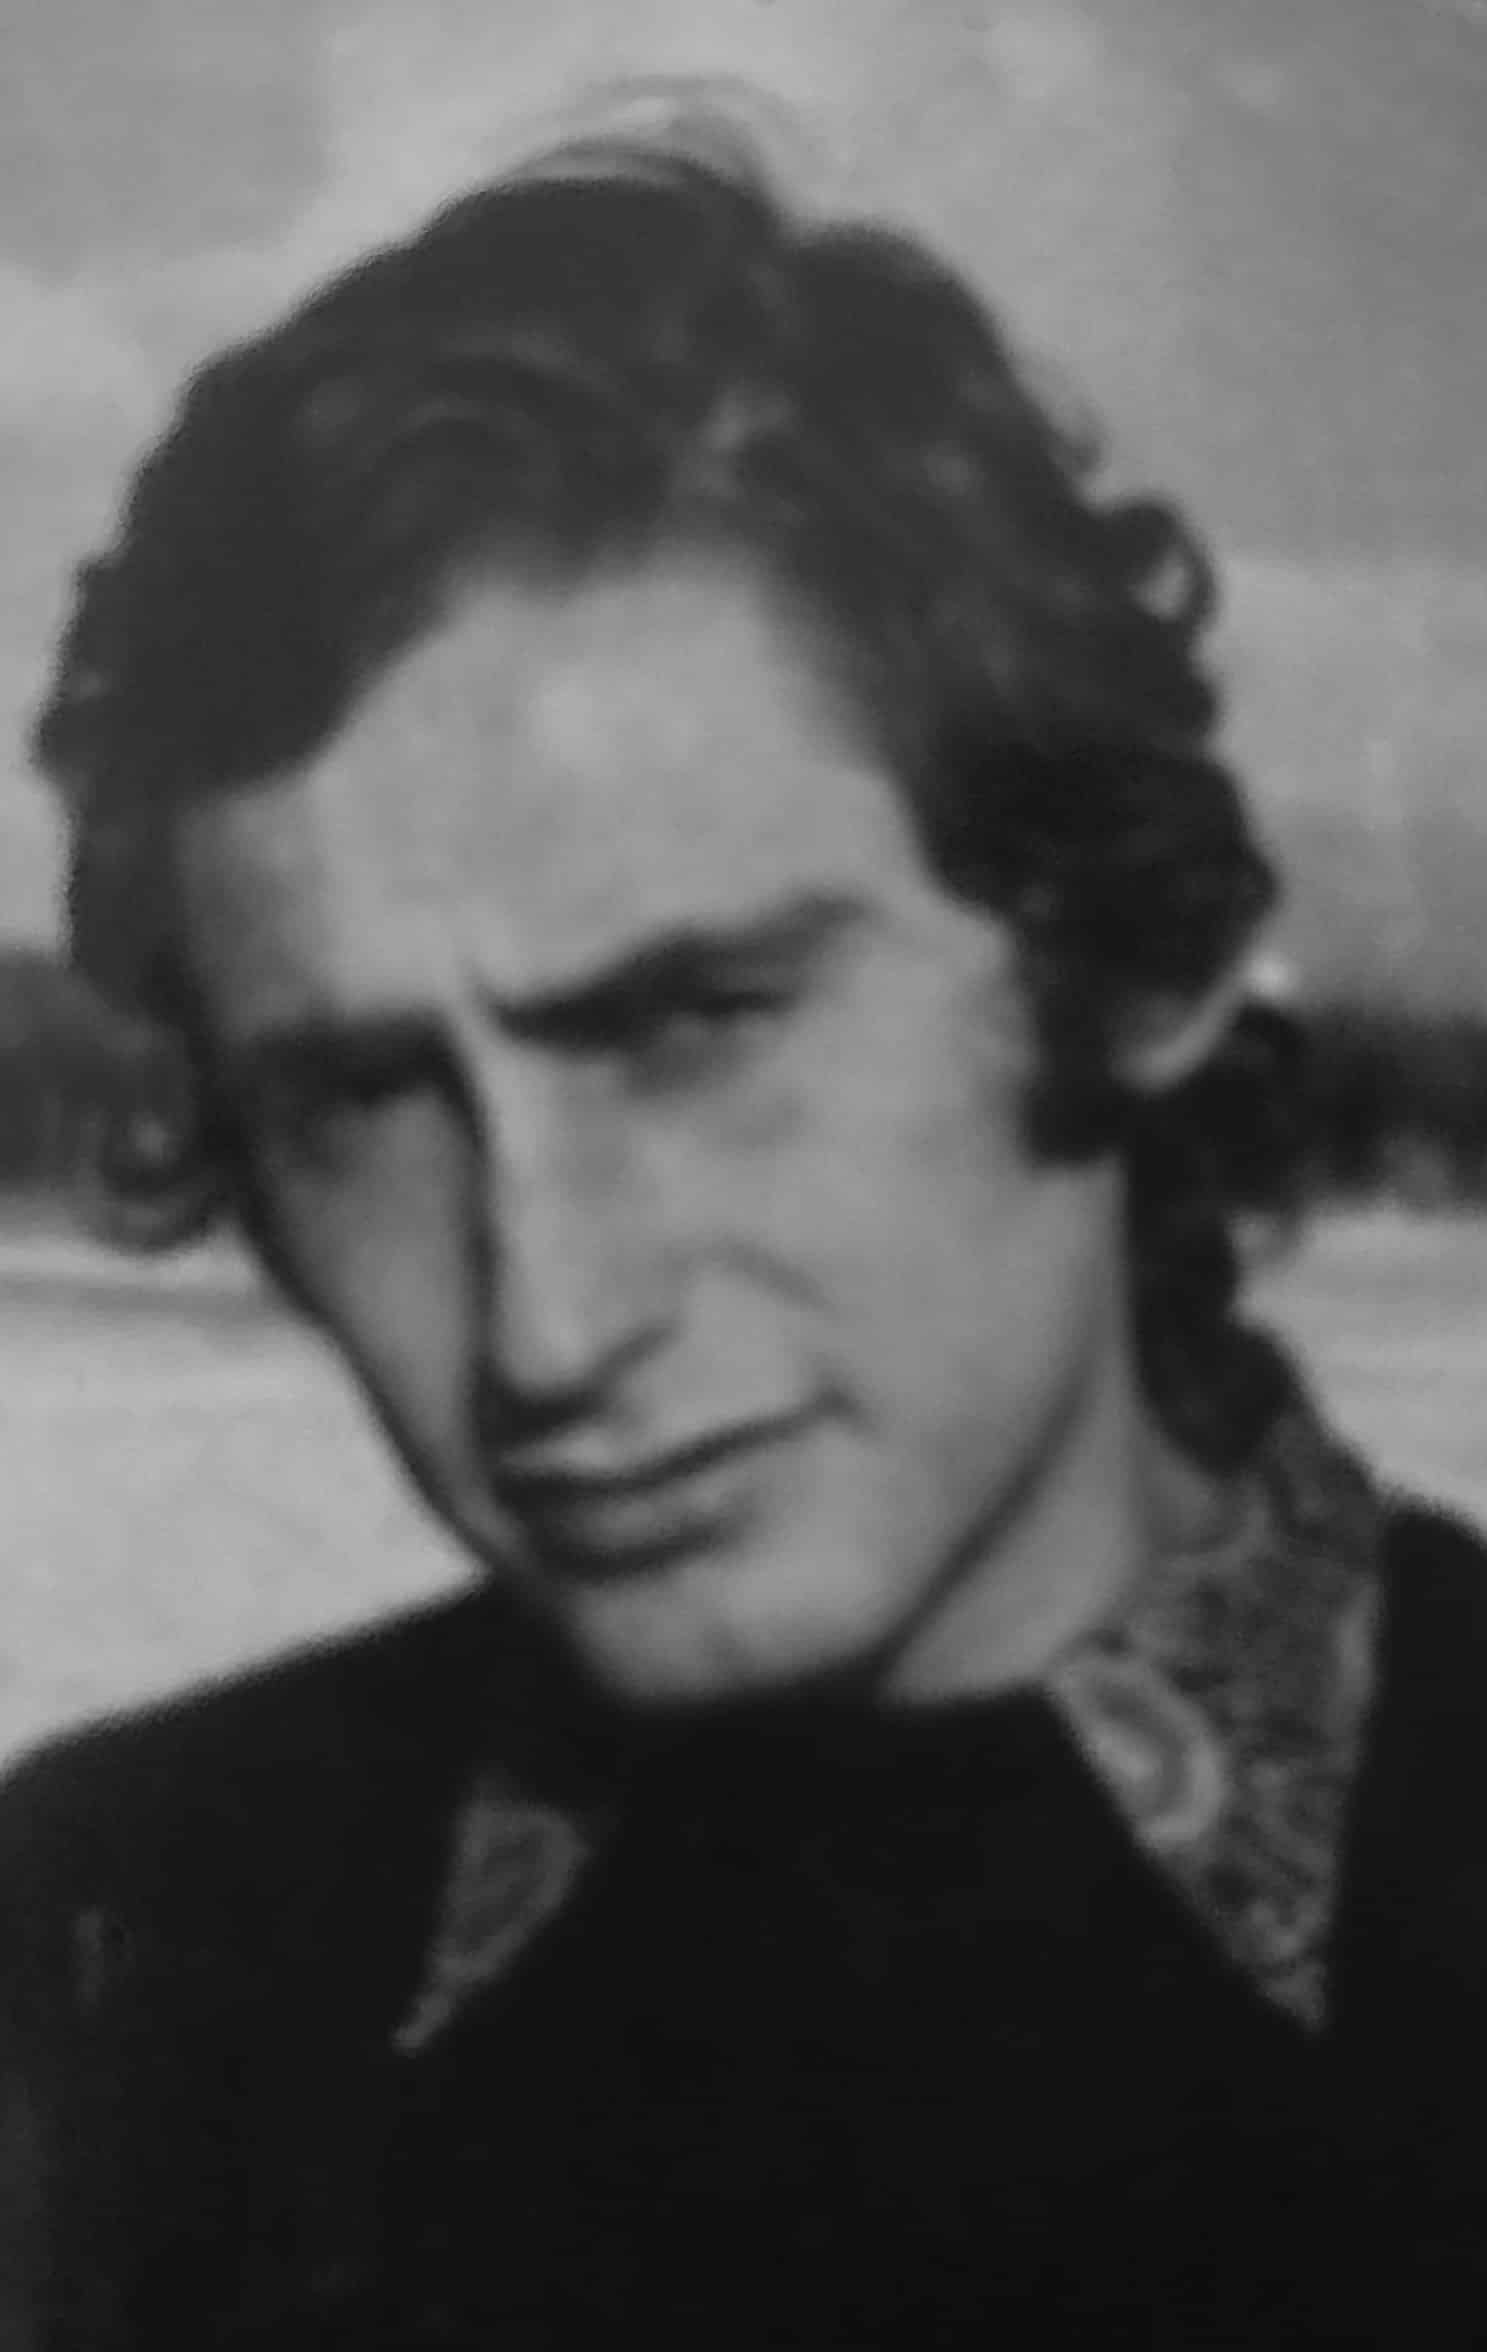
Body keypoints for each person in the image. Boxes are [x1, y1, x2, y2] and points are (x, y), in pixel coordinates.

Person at [5, 89, 1487, 2352]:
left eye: (695, 1022)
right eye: (364, 1102)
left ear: (1134, 959)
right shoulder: (104, 1944)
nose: (551, 1321)